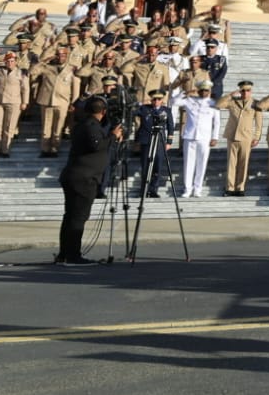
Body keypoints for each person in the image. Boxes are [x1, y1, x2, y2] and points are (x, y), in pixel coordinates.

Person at [57, 97, 122, 265]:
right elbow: (96, 145)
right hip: (83, 179)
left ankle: (65, 253)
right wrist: (113, 137)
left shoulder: (83, 124)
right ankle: (72, 255)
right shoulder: (90, 126)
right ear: (103, 112)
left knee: (70, 217)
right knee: (78, 217)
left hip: (77, 176)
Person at [176, 79, 220, 198]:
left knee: (202, 163)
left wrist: (215, 137)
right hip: (190, 136)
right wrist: (186, 92)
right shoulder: (190, 101)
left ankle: (197, 189)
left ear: (209, 91)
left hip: (204, 138)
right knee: (188, 164)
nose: (203, 92)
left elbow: (217, 122)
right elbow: (174, 101)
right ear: (198, 90)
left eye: (206, 90)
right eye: (201, 90)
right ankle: (187, 189)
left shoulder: (213, 103)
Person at [33, 46, 79, 157]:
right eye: (58, 55)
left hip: (62, 101)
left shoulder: (72, 69)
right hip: (47, 100)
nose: (60, 57)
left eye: (63, 55)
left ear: (66, 56)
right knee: (46, 127)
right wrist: (44, 61)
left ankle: (54, 149)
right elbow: (32, 71)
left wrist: (74, 102)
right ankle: (45, 149)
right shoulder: (47, 67)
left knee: (58, 127)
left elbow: (75, 87)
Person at [219, 80, 262, 196]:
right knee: (231, 163)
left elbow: (259, 123)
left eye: (247, 91)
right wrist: (230, 95)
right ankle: (230, 188)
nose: (245, 93)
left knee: (243, 163)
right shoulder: (233, 102)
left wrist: (257, 137)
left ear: (251, 91)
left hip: (246, 137)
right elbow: (218, 105)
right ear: (239, 91)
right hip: (232, 135)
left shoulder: (255, 104)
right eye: (242, 90)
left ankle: (240, 188)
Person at [0, 49, 30, 158]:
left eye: (12, 61)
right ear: (5, 62)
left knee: (9, 127)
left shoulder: (21, 73)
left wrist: (25, 102)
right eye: (8, 61)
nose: (10, 63)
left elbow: (25, 89)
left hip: (13, 102)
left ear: (16, 61)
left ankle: (5, 150)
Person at [134, 89, 175, 197]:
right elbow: (133, 112)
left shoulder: (166, 110)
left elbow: (171, 126)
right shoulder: (144, 108)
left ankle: (153, 189)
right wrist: (138, 103)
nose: (156, 101)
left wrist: (169, 142)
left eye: (159, 99)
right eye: (154, 99)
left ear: (162, 100)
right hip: (146, 141)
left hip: (159, 141)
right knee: (145, 166)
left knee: (157, 166)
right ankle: (144, 190)